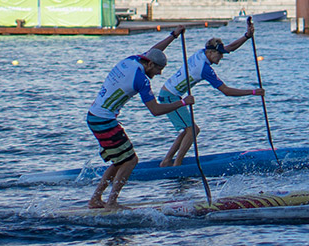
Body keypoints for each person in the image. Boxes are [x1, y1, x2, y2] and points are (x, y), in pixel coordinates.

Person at [86, 27, 193, 209]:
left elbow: (155, 50)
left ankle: (96, 200)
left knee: (120, 160)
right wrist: (183, 103)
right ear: (150, 65)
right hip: (104, 121)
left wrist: (173, 35)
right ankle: (111, 202)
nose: (159, 74)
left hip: (95, 117)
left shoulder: (133, 60)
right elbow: (155, 110)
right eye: (159, 69)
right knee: (131, 160)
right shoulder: (141, 80)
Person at [157, 23, 265, 167]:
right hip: (169, 96)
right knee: (193, 130)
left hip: (169, 94)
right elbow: (226, 91)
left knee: (187, 130)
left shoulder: (202, 52)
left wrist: (246, 36)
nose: (220, 58)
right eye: (219, 55)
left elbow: (230, 48)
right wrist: (252, 92)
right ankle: (177, 165)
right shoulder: (204, 68)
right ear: (211, 52)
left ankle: (166, 161)